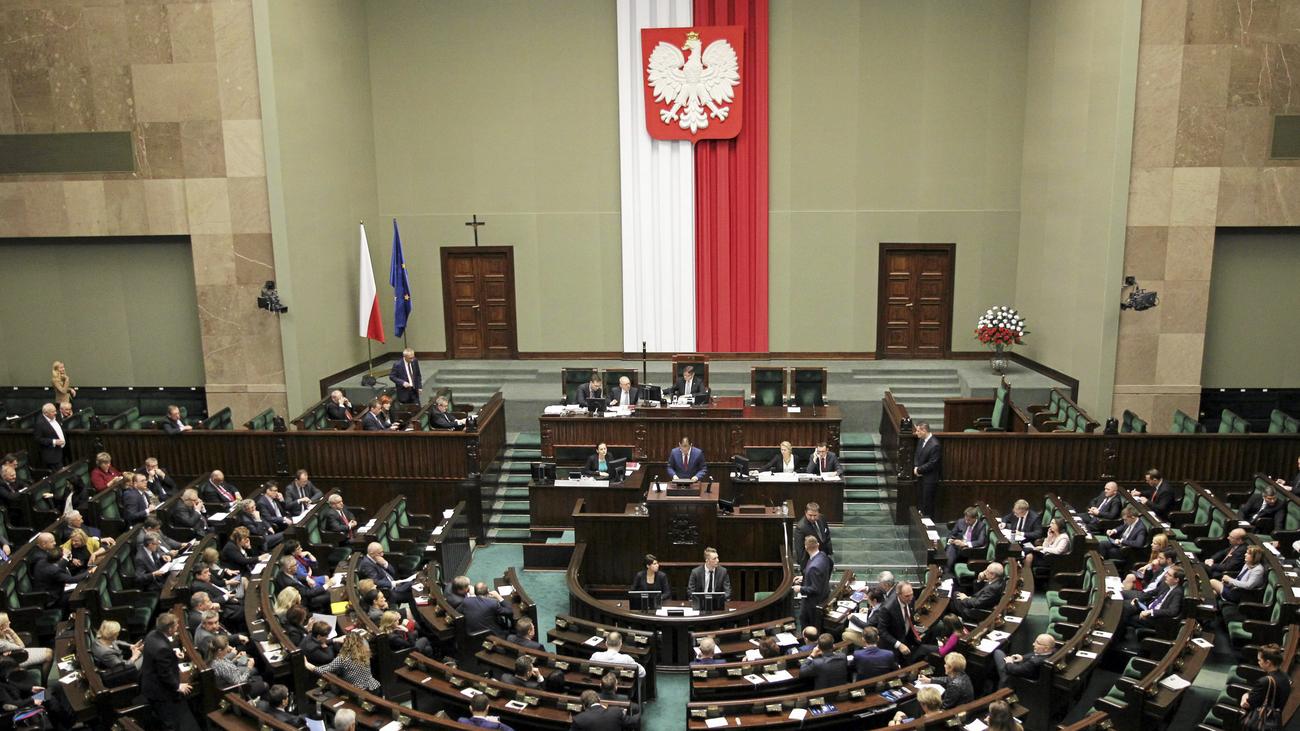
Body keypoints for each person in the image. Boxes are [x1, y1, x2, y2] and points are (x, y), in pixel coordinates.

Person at [141, 613, 199, 731]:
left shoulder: (152, 634)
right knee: (170, 722)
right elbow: (165, 674)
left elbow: (157, 655)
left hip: (147, 681)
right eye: (176, 625)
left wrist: (172, 654)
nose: (178, 627)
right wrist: (177, 686)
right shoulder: (162, 648)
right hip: (159, 691)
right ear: (170, 629)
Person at [877, 581, 931, 661]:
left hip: (907, 638)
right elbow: (882, 631)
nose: (910, 598)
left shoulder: (911, 599)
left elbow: (909, 617)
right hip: (892, 644)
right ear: (898, 595)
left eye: (911, 594)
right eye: (907, 596)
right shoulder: (887, 608)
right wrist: (899, 645)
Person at [1239, 643, 1291, 723]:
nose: (1258, 662)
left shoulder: (1264, 681)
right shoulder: (1285, 677)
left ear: (1268, 662)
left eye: (1259, 660)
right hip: (1275, 720)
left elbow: (1246, 704)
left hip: (1261, 722)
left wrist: (1244, 696)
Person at [311, 633, 380, 691]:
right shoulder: (365, 652)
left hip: (356, 691)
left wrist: (310, 666)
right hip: (372, 686)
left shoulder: (343, 658)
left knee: (332, 682)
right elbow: (363, 641)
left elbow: (323, 670)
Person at [0, 612, 51, 680]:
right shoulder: (2, 643)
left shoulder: (4, 633)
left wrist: (10, 646)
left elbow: (14, 644)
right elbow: (21, 646)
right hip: (15, 658)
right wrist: (12, 632)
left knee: (49, 651)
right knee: (49, 655)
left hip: (15, 653)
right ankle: (44, 682)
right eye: (7, 622)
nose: (10, 622)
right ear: (1, 627)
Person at [796, 534, 831, 629]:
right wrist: (805, 577)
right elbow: (821, 576)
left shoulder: (813, 567)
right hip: (824, 595)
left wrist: (800, 589)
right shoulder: (823, 556)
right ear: (818, 544)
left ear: (806, 547)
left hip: (813, 603)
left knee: (807, 624)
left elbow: (815, 589)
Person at [945, 506, 988, 575]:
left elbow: (980, 541)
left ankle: (945, 571)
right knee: (951, 546)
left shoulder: (981, 526)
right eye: (965, 519)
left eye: (969, 520)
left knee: (951, 549)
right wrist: (951, 540)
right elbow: (952, 533)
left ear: (975, 518)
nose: (966, 522)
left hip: (970, 550)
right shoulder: (961, 521)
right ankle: (946, 570)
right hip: (958, 544)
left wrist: (965, 544)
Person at [913, 421, 941, 518]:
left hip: (929, 480)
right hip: (920, 477)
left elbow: (932, 463)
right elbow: (917, 455)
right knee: (920, 502)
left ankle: (928, 523)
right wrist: (916, 467)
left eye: (918, 431)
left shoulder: (935, 444)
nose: (916, 433)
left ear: (924, 430)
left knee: (927, 504)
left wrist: (919, 470)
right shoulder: (921, 441)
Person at [571, 689, 636, 730]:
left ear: (583, 705)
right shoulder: (616, 711)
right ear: (599, 699)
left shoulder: (578, 719)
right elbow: (632, 721)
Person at [33, 403, 67, 471]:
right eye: (52, 412)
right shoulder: (40, 423)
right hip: (52, 455)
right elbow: (38, 439)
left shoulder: (57, 417)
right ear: (46, 413)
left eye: (55, 411)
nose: (55, 413)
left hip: (62, 451)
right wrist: (53, 441)